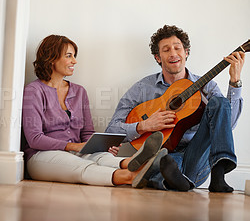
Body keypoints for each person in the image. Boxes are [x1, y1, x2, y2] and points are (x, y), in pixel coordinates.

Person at [106, 25, 245, 192]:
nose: (173, 53)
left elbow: (226, 126)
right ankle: (173, 179)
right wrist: (144, 125)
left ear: (186, 52)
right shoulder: (143, 88)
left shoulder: (207, 85)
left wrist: (235, 82)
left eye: (177, 48)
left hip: (197, 154)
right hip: (163, 153)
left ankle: (219, 172)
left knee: (219, 103)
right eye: (166, 50)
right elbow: (111, 131)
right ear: (158, 57)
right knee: (166, 161)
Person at [22, 35, 168, 187]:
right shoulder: (34, 91)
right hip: (41, 156)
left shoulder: (79, 92)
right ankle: (130, 176)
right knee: (80, 166)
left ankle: (133, 162)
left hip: (77, 152)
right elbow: (35, 138)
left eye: (74, 56)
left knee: (103, 157)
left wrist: (100, 145)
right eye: (69, 56)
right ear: (51, 58)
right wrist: (73, 146)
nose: (74, 61)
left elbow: (86, 134)